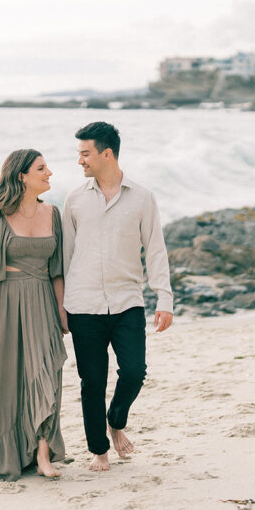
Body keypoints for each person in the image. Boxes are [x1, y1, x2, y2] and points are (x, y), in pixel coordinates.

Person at [61, 121, 173, 472]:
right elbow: (64, 255)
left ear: (106, 153)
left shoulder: (142, 198)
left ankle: (116, 420)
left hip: (127, 301)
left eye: (85, 153)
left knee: (135, 372)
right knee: (91, 381)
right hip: (83, 304)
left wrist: (164, 298)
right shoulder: (75, 199)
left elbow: (155, 249)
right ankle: (99, 450)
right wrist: (60, 306)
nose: (79, 160)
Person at [0, 149, 68, 483]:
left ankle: (43, 453)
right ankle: (5, 452)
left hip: (42, 303)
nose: (49, 172)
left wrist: (63, 315)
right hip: (2, 304)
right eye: (41, 168)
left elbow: (56, 271)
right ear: (21, 175)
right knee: (3, 380)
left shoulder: (53, 213)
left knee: (45, 373)